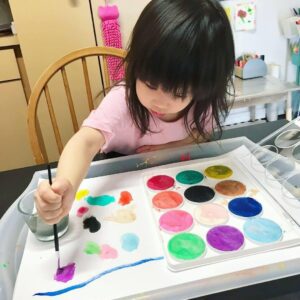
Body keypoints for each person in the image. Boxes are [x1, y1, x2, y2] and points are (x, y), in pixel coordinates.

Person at [35, 0, 235, 224]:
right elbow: (86, 141)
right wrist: (67, 185)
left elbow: (202, 134)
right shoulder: (124, 98)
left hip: (171, 175)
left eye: (178, 93)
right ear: (135, 66)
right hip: (118, 170)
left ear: (204, 87)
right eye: (149, 84)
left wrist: (169, 149)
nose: (159, 101)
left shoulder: (203, 104)